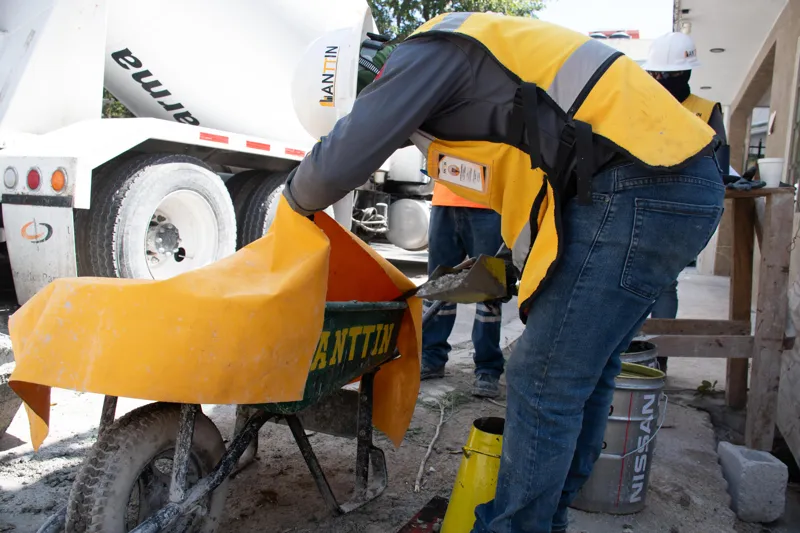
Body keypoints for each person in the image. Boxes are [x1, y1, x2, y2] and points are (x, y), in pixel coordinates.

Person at [284, 12, 724, 533]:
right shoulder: (476, 68)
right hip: (668, 186)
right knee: (584, 373)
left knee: (544, 379)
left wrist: (291, 205)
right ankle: (547, 519)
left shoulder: (428, 52)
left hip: (639, 185)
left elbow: (338, 162)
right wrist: (521, 263)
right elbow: (536, 185)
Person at [643, 31, 729, 373]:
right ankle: (628, 353)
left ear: (686, 74)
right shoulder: (644, 108)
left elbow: (720, 165)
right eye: (657, 75)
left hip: (681, 210)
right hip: (644, 204)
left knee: (665, 280)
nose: (661, 81)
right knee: (630, 281)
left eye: (668, 75)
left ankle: (658, 359)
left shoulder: (706, 111)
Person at [421, 184, 505, 399]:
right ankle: (431, 357)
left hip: (489, 201)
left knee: (488, 288)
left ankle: (488, 369)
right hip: (445, 199)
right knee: (439, 285)